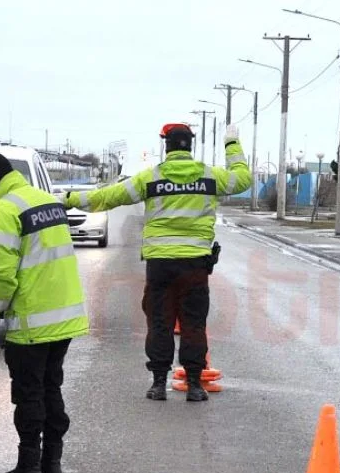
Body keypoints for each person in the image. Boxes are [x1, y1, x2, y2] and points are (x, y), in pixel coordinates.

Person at [63, 121, 250, 402]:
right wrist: (231, 144)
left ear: (167, 147)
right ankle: (195, 385)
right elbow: (243, 179)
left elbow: (108, 197)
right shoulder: (210, 177)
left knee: (160, 322)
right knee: (193, 323)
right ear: (191, 145)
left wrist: (70, 199)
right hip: (196, 265)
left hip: (160, 265)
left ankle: (159, 383)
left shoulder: (150, 178)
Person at [0, 152, 89, 473]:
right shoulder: (45, 201)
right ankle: (52, 466)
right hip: (64, 316)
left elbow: (3, 277)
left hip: (32, 321)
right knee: (51, 389)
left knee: (29, 395)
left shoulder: (5, 210)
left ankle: (28, 470)